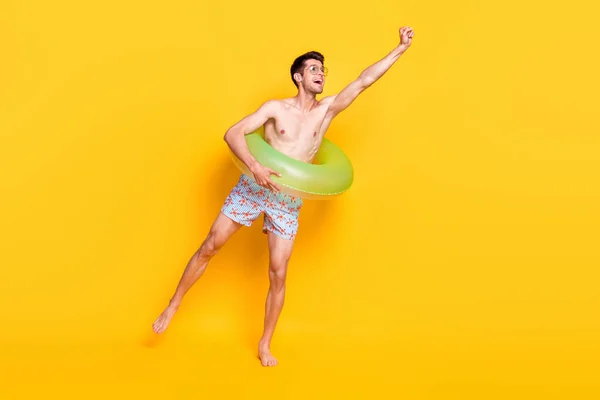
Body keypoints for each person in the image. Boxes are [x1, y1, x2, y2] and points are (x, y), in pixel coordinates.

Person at [152, 26, 415, 366]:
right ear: (298, 76)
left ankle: (264, 344)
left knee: (278, 273)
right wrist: (255, 167)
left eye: (323, 70)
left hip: (288, 199)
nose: (321, 75)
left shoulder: (328, 110)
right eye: (314, 69)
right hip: (255, 185)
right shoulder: (276, 109)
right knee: (209, 246)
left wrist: (399, 49)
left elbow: (364, 81)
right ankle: (173, 305)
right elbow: (233, 133)